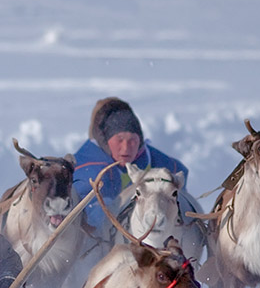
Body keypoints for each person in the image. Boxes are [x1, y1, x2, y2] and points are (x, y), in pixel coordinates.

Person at [71, 97, 191, 234]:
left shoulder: (154, 161)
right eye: (119, 140)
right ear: (105, 141)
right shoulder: (89, 166)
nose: (126, 148)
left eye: (132, 140)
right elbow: (90, 215)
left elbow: (179, 175)